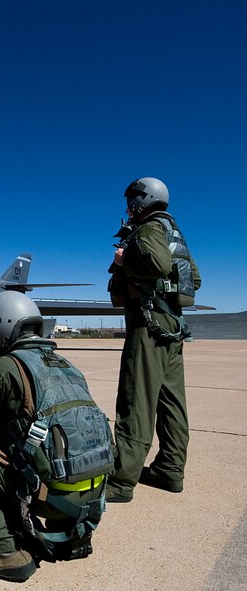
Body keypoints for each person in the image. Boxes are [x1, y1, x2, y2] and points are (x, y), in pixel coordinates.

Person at [0, 291, 111, 582]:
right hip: (87, 499)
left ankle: (2, 550)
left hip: (49, 496)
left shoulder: (6, 368)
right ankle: (75, 535)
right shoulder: (65, 365)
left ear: (2, 326)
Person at [106, 177, 201, 502]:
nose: (128, 208)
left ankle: (121, 480)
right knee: (171, 400)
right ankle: (170, 470)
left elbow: (157, 264)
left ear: (139, 201)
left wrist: (124, 260)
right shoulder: (173, 232)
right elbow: (195, 279)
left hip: (148, 325)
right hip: (173, 326)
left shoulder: (147, 229)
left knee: (136, 399)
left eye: (131, 201)